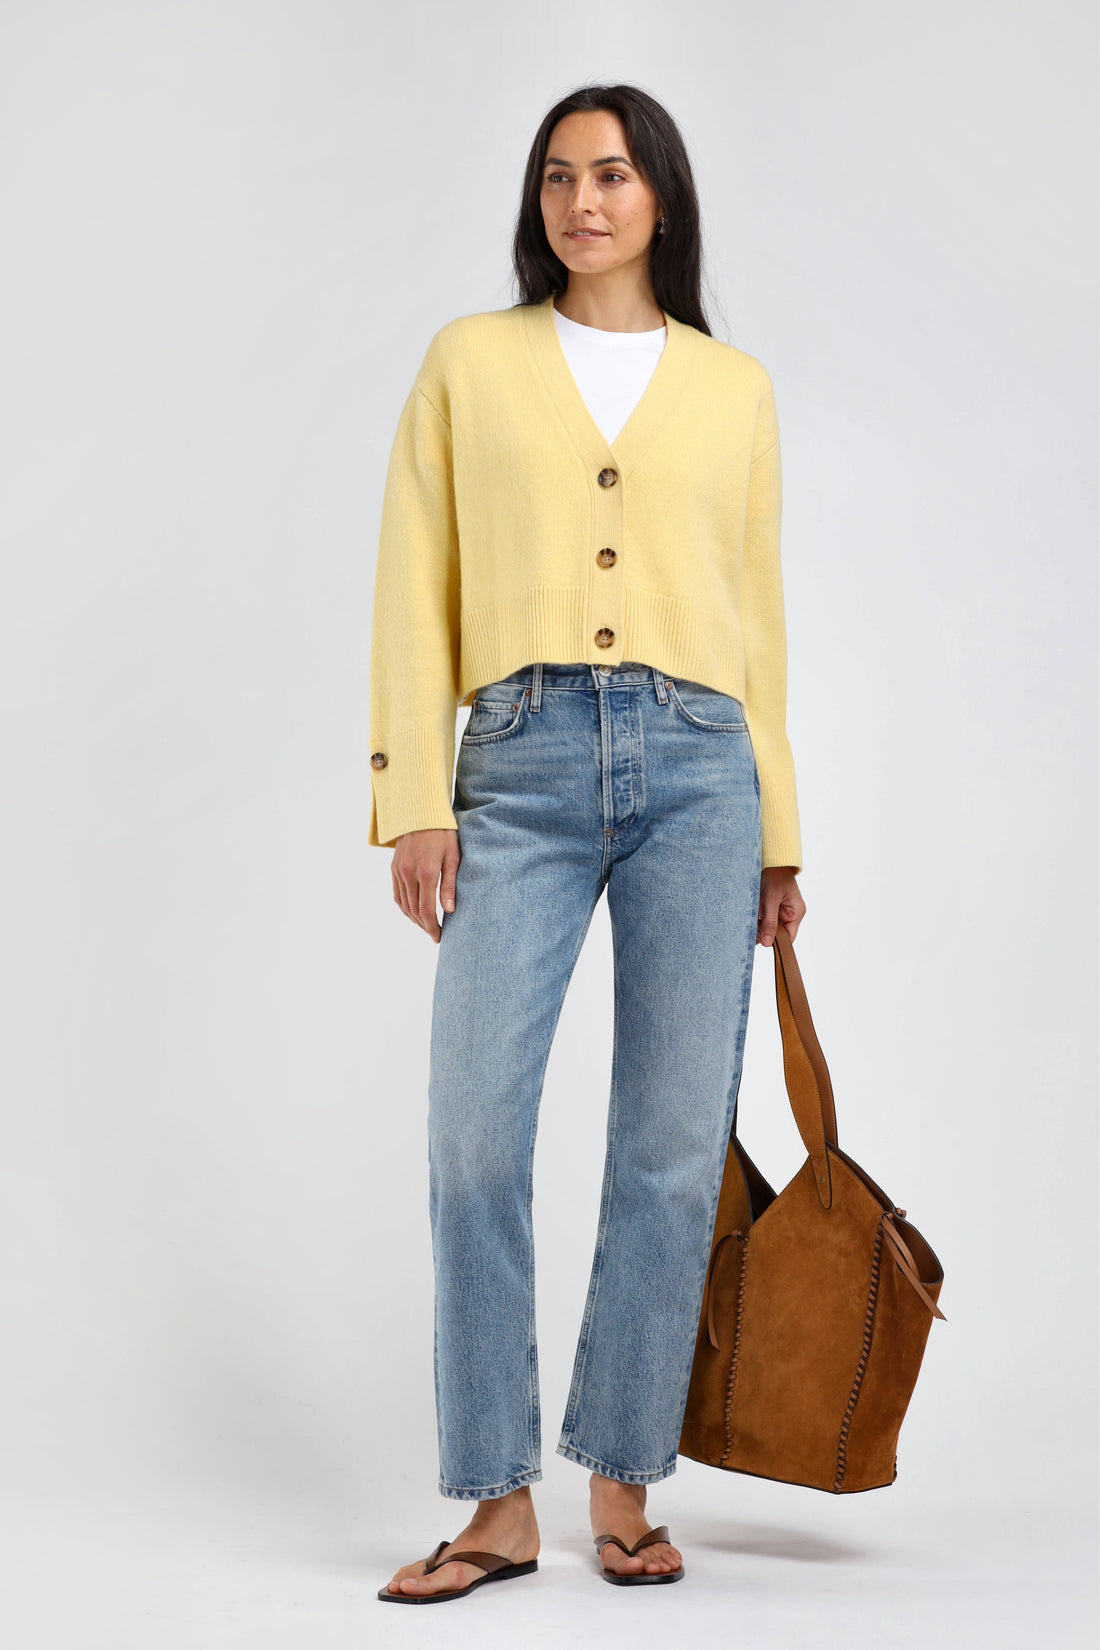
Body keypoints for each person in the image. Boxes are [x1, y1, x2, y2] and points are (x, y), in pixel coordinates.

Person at [371, 83, 807, 1603]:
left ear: (660, 197)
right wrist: (415, 795)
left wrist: (779, 830)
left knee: (673, 1144)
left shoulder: (733, 389)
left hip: (702, 768)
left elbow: (757, 618)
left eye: (612, 175)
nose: (583, 202)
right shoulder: (470, 362)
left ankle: (623, 1475)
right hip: (520, 759)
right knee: (474, 1135)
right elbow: (412, 571)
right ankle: (495, 1500)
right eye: (558, 177)